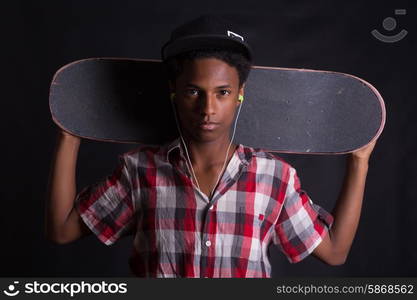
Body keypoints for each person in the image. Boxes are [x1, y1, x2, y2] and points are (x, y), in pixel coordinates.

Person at [45, 15, 377, 278]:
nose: (207, 109)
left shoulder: (274, 176)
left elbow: (334, 252)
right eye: (193, 91)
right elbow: (61, 231)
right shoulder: (139, 171)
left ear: (240, 94)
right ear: (173, 91)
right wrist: (68, 134)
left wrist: (360, 161)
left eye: (222, 92)